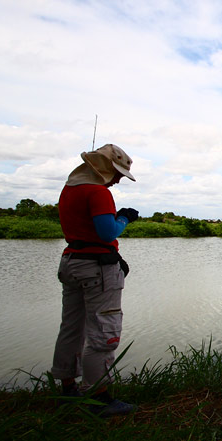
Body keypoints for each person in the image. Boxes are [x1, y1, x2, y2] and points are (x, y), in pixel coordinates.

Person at [51, 144, 140, 416]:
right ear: (103, 169)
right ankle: (100, 398)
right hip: (97, 268)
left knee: (71, 327)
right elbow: (106, 232)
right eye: (117, 174)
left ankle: (68, 388)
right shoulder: (98, 192)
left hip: (71, 262)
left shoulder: (69, 190)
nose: (116, 181)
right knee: (103, 330)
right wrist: (124, 219)